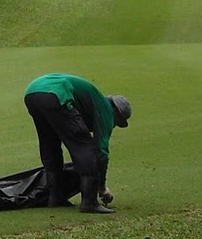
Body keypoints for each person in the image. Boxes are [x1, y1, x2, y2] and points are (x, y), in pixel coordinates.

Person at [23, 73, 131, 214]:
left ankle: (55, 198)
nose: (113, 125)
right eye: (117, 122)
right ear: (116, 112)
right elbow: (101, 150)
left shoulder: (93, 101)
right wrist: (102, 187)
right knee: (86, 147)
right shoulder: (106, 109)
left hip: (32, 93)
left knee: (50, 144)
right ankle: (89, 202)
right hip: (56, 93)